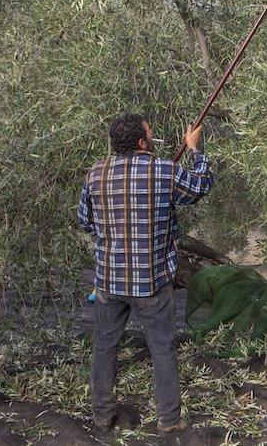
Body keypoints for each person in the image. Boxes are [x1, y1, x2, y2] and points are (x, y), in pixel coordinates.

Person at [77, 113, 215, 434]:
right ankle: (169, 421)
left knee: (104, 347)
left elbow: (85, 220)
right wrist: (193, 148)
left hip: (109, 282)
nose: (153, 137)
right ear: (142, 142)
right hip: (151, 284)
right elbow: (202, 183)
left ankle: (101, 417)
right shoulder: (164, 170)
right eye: (150, 133)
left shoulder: (96, 173)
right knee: (162, 348)